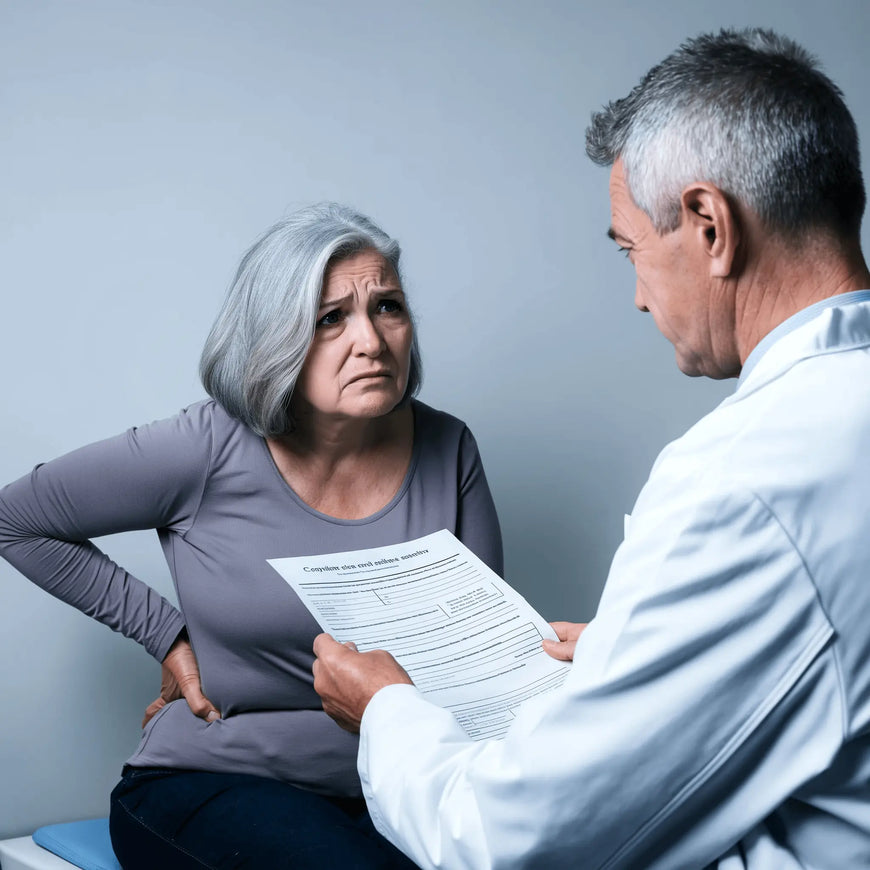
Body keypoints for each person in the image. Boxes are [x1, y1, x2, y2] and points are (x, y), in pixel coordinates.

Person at [312, 29, 870, 869]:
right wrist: (652, 650)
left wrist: (386, 711)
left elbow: (514, 844)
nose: (639, 298)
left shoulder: (740, 482)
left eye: (631, 251)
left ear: (710, 226)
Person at [0, 203, 503, 869]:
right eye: (330, 318)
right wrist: (166, 634)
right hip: (214, 781)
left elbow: (474, 662)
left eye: (388, 307)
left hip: (406, 784)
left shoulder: (448, 445)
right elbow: (16, 520)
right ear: (275, 337)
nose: (372, 342)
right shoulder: (203, 448)